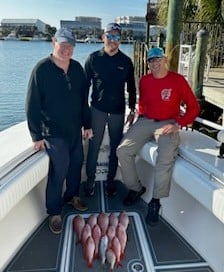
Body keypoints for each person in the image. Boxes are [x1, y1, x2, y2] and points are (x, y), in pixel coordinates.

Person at [117, 47, 200, 226]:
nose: (154, 63)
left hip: (168, 123)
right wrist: (138, 119)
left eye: (157, 59)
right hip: (146, 120)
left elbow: (194, 107)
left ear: (164, 60)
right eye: (151, 61)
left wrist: (178, 125)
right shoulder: (145, 80)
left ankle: (155, 201)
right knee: (122, 151)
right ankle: (136, 188)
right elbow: (142, 103)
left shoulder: (178, 81)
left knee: (164, 158)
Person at [25, 27, 92, 234]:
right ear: (54, 43)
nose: (66, 49)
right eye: (62, 44)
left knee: (76, 165)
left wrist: (87, 124)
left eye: (70, 45)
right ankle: (54, 211)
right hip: (52, 133)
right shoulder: (41, 69)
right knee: (59, 169)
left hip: (74, 131)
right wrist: (36, 135)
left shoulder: (77, 69)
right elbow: (32, 104)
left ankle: (72, 196)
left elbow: (83, 100)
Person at [84, 23, 136, 197]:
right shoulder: (92, 59)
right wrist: (84, 114)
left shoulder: (126, 62)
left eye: (116, 37)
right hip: (97, 110)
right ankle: (90, 181)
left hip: (118, 112)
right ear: (103, 37)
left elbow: (132, 88)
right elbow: (84, 88)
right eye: (110, 36)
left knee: (115, 148)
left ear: (120, 40)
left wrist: (133, 109)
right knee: (94, 146)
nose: (113, 40)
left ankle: (110, 182)